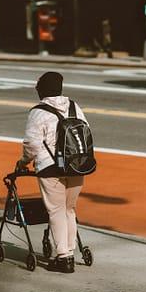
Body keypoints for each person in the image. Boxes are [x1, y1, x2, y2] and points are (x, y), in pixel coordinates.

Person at [16, 71, 89, 273]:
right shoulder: (74, 107)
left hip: (50, 168)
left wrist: (23, 162)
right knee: (69, 210)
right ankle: (70, 252)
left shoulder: (38, 112)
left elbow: (31, 144)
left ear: (41, 90)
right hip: (77, 165)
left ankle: (64, 258)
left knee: (56, 211)